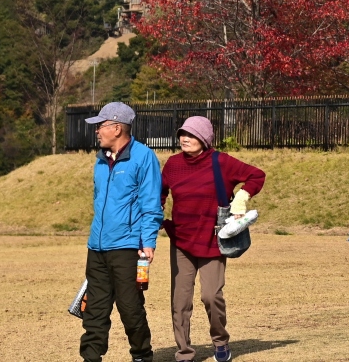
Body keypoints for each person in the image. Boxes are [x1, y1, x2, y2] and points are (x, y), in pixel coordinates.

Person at [161, 116, 265, 362]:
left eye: (192, 134)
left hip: (212, 240)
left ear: (204, 139)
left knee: (211, 295)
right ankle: (184, 353)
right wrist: (155, 214)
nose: (185, 138)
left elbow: (256, 175)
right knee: (180, 301)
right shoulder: (173, 164)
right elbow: (159, 193)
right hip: (181, 239)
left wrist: (241, 198)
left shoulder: (221, 161)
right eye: (182, 133)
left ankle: (220, 341)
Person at [80, 102, 164, 362]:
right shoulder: (100, 159)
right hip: (97, 247)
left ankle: (141, 355)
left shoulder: (144, 157)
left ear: (117, 128)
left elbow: (151, 204)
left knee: (130, 309)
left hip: (128, 248)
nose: (97, 131)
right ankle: (90, 357)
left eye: (101, 126)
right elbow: (98, 199)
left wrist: (148, 241)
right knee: (94, 310)